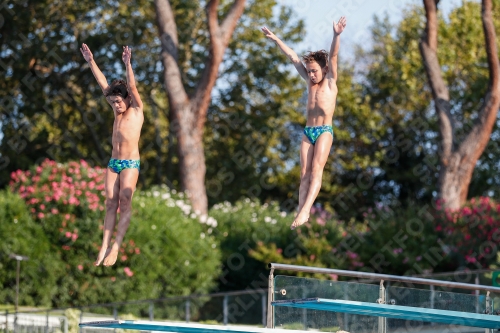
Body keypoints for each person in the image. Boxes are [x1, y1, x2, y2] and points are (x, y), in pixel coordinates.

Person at [261, 17, 347, 230]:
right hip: (308, 131)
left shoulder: (330, 81)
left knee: (317, 170)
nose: (310, 74)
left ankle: (307, 209)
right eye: (309, 71)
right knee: (304, 174)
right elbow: (292, 55)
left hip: (324, 131)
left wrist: (336, 35)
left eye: (314, 71)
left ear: (324, 69)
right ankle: (301, 212)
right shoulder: (310, 81)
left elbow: (334, 55)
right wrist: (275, 38)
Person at [80, 44, 144, 266]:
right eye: (112, 103)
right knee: (110, 203)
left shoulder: (135, 109)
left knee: (125, 201)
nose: (115, 106)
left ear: (127, 99)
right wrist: (91, 61)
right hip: (113, 163)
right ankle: (104, 246)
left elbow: (133, 86)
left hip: (130, 163)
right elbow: (102, 83)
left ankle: (116, 246)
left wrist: (128, 64)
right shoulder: (115, 108)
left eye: (118, 102)